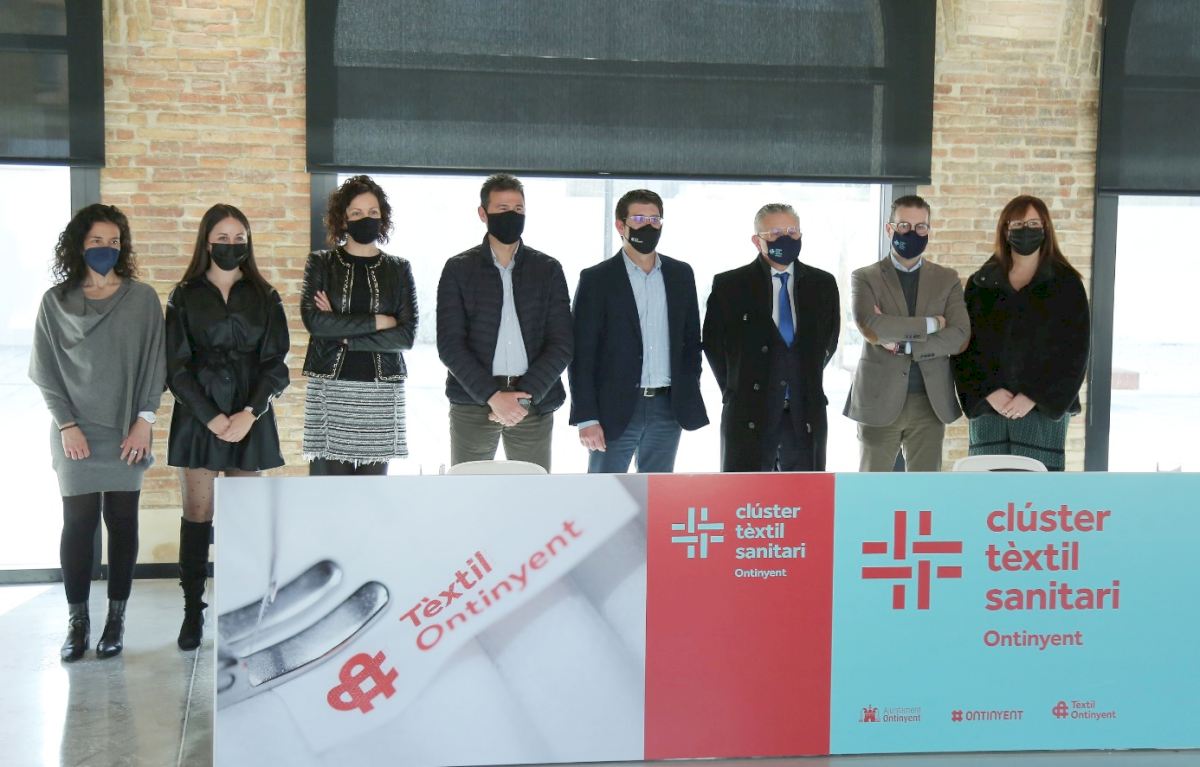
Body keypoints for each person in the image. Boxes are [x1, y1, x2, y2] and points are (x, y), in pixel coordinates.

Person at [29, 204, 166, 661]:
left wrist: (144, 421)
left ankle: (116, 619)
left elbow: (156, 364)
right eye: (96, 241)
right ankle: (78, 621)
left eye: (114, 242)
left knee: (123, 521)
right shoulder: (55, 302)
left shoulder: (142, 299)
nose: (106, 249)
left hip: (128, 427)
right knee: (78, 523)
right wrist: (66, 425)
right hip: (74, 430)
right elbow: (45, 370)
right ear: (78, 245)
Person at [166, 203, 290, 650]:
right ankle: (192, 612)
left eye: (239, 238)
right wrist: (211, 417)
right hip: (199, 416)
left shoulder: (265, 295)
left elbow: (277, 365)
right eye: (223, 237)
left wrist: (249, 413)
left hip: (248, 416)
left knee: (244, 520)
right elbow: (175, 367)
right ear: (207, 241)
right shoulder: (184, 295)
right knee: (197, 516)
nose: (231, 245)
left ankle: (244, 614)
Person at [436, 173, 573, 472]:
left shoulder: (547, 269)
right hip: (474, 402)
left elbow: (562, 343)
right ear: (483, 214)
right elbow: (450, 345)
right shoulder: (459, 269)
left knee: (531, 491)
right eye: (502, 208)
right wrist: (492, 396)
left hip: (533, 402)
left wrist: (522, 400)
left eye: (518, 209)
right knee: (469, 490)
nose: (512, 215)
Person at [569, 189, 708, 473]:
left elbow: (691, 342)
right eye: (639, 219)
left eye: (655, 219)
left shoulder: (681, 274)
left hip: (667, 408)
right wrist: (587, 417)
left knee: (657, 494)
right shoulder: (596, 279)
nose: (648, 226)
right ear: (621, 225)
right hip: (613, 409)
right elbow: (582, 354)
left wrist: (688, 385)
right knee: (605, 492)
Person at [953, 194, 1090, 471]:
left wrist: (1034, 395)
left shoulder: (1066, 285)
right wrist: (987, 391)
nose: (1025, 230)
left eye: (1033, 223)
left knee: (1037, 492)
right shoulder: (981, 284)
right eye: (1017, 224)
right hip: (991, 409)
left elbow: (1074, 353)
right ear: (1005, 230)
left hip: (1041, 411)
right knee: (986, 488)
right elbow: (964, 348)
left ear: (1045, 228)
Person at [703, 203, 840, 472]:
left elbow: (828, 341)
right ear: (757, 241)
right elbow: (714, 345)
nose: (785, 238)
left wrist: (797, 375)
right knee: (746, 493)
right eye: (775, 233)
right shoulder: (730, 285)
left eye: (792, 231)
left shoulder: (822, 284)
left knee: (804, 494)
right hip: (749, 411)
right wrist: (737, 388)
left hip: (805, 412)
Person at [300, 175, 417, 475]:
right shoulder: (321, 263)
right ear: (343, 219)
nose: (366, 218)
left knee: (372, 493)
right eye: (357, 212)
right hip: (330, 388)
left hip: (382, 392)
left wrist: (346, 336)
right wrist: (381, 321)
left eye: (373, 212)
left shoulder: (399, 268)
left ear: (383, 218)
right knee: (331, 492)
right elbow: (315, 322)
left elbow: (406, 335)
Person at [844, 195, 970, 471]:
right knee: (872, 487)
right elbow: (872, 327)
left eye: (920, 226)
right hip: (878, 399)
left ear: (928, 230)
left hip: (929, 401)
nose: (912, 233)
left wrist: (907, 346)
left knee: (923, 490)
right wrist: (933, 324)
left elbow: (960, 335)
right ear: (889, 229)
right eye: (904, 226)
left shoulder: (946, 278)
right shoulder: (865, 277)